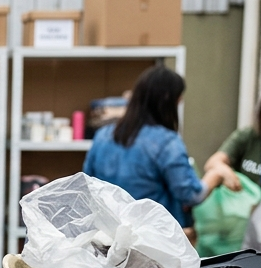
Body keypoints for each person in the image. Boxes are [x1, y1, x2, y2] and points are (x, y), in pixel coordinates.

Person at [83, 66, 225, 235]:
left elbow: (87, 184)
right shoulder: (167, 142)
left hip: (108, 235)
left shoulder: (103, 135)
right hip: (152, 239)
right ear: (170, 100)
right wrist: (214, 177)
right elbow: (190, 194)